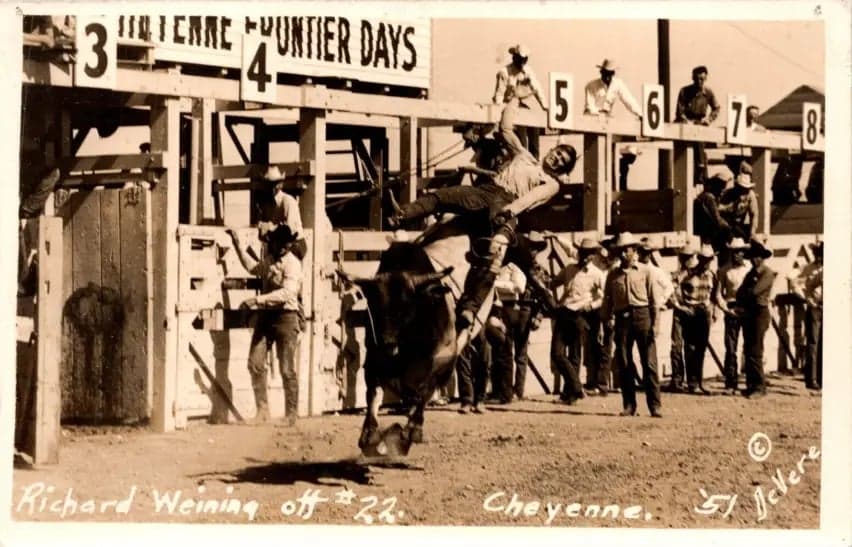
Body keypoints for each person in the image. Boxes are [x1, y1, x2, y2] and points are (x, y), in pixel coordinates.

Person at [388, 109, 576, 331]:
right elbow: (506, 128)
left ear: (562, 168)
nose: (556, 158)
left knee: (494, 252)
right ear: (552, 150)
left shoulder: (552, 183)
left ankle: (470, 307)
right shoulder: (524, 155)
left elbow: (530, 198)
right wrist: (514, 97)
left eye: (562, 161)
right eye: (557, 153)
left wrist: (509, 211)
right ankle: (402, 215)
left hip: (508, 205)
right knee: (442, 197)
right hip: (486, 191)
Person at [226, 224, 304, 425]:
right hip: (267, 317)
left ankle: (291, 414)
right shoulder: (270, 261)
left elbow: (287, 293)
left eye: (282, 243)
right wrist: (237, 245)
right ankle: (262, 411)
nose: (278, 246)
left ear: (287, 245)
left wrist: (257, 300)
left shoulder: (293, 264)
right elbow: (252, 268)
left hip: (286, 317)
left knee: (287, 368)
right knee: (255, 362)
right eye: (276, 242)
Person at [601, 232, 665, 417]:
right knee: (624, 362)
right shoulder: (613, 275)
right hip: (622, 319)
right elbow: (607, 301)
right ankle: (629, 405)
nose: (623, 254)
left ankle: (655, 406)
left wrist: (656, 324)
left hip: (643, 316)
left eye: (626, 250)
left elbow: (655, 301)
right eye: (620, 250)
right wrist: (604, 321)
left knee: (649, 363)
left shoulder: (647, 271)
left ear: (634, 250)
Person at [550, 237, 607, 401]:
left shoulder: (597, 274)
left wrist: (591, 306)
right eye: (584, 253)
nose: (587, 257)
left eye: (590, 254)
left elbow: (604, 297)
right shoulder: (569, 269)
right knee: (557, 353)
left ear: (593, 255)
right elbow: (554, 283)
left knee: (575, 355)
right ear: (580, 253)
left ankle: (569, 395)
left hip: (580, 315)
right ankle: (576, 387)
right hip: (563, 313)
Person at [733, 236, 776, 398]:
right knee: (749, 349)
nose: (754, 260)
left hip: (760, 313)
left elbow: (753, 292)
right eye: (752, 257)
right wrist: (744, 295)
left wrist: (744, 295)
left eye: (757, 257)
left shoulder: (767, 273)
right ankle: (752, 385)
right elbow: (740, 292)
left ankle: (759, 386)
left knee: (755, 349)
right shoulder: (751, 273)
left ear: (762, 258)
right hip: (750, 313)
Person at [673, 245, 717, 394]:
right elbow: (674, 290)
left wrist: (713, 309)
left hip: (703, 312)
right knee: (690, 347)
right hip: (690, 310)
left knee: (701, 348)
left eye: (709, 259)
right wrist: (680, 306)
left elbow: (714, 295)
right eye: (704, 259)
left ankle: (699, 380)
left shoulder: (711, 275)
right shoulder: (688, 274)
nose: (706, 262)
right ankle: (692, 382)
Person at [493, 44, 547, 158]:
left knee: (534, 136)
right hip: (510, 105)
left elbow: (537, 89)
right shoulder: (504, 72)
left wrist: (545, 106)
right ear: (514, 58)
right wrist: (497, 113)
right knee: (521, 139)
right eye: (520, 59)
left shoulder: (528, 71)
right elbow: (499, 94)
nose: (522, 62)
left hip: (526, 105)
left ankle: (535, 161)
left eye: (524, 59)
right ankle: (523, 159)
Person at [714, 238, 753, 395]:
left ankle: (750, 383)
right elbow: (718, 294)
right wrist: (725, 309)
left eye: (740, 251)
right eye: (734, 251)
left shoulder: (750, 269)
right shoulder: (724, 270)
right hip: (731, 309)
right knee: (731, 348)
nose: (737, 254)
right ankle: (731, 383)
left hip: (747, 308)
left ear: (744, 252)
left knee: (749, 346)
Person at [675, 66, 721, 184]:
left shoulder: (708, 92)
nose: (700, 82)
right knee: (684, 154)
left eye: (702, 79)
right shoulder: (684, 91)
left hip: (700, 124)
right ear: (693, 78)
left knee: (700, 153)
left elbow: (716, 107)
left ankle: (701, 175)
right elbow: (680, 112)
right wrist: (687, 122)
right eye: (697, 79)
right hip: (686, 124)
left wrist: (709, 119)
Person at [664, 242, 698, 393]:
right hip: (679, 311)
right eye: (684, 257)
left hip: (692, 312)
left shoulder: (698, 275)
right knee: (676, 346)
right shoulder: (676, 276)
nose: (687, 260)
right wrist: (679, 306)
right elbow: (671, 295)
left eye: (689, 257)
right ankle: (677, 379)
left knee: (691, 347)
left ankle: (692, 381)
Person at [258, 165, 308, 261]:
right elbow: (262, 231)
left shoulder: (288, 201)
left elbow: (289, 230)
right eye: (268, 184)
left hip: (294, 246)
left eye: (274, 183)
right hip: (278, 247)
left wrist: (269, 227)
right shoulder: (266, 205)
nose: (271, 187)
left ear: (280, 185)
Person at [793, 240, 823, 391]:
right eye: (818, 253)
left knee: (825, 343)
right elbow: (795, 281)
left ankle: (823, 376)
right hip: (815, 306)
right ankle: (811, 379)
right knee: (813, 342)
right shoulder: (809, 268)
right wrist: (807, 299)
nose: (820, 256)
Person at [693, 170, 733, 254]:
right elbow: (718, 220)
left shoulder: (707, 196)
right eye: (722, 187)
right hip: (705, 235)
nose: (723, 191)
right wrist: (729, 229)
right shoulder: (709, 197)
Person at [720, 162, 760, 240]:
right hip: (725, 224)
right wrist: (732, 206)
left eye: (746, 189)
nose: (744, 192)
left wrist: (753, 232)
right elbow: (719, 209)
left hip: (738, 225)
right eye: (742, 189)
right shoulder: (728, 193)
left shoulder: (750, 195)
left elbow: (754, 214)